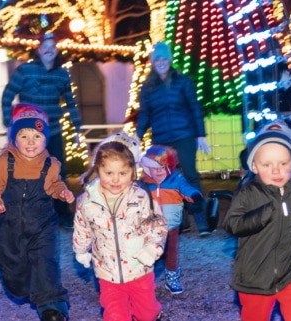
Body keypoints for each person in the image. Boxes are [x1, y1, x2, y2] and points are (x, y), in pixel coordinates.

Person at [0, 104, 75, 321]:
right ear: (14, 139)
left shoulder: (50, 164)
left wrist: (62, 192)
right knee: (13, 267)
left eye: (37, 135)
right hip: (10, 226)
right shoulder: (5, 162)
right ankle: (24, 288)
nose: (31, 141)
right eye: (24, 135)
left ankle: (52, 307)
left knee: (45, 262)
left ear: (45, 139)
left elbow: (54, 184)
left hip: (42, 225)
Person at [223, 120, 291, 321]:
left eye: (283, 163)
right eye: (267, 164)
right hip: (255, 274)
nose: (276, 170)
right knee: (255, 315)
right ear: (254, 166)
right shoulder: (247, 193)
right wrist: (262, 214)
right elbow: (232, 224)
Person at [72, 134, 167, 321]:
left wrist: (153, 248)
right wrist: (81, 249)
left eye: (122, 173)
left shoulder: (141, 198)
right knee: (114, 315)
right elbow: (82, 226)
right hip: (107, 272)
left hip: (139, 269)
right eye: (109, 173)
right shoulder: (87, 201)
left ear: (133, 171)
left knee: (146, 313)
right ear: (98, 170)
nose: (115, 180)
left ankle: (153, 314)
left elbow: (157, 226)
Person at [1, 32, 83, 230]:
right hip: (29, 133)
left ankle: (62, 215)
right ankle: (29, 218)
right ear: (38, 50)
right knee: (28, 176)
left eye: (52, 46)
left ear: (56, 50)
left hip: (53, 131)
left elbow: (71, 103)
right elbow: (7, 96)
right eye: (45, 46)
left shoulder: (62, 74)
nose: (49, 49)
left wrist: (78, 129)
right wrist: (9, 124)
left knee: (58, 173)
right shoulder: (25, 71)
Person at [136, 41, 212, 237]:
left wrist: (201, 134)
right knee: (165, 179)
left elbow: (195, 107)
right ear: (153, 62)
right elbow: (144, 114)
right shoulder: (148, 87)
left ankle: (200, 218)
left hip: (183, 135)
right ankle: (178, 220)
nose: (161, 62)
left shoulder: (182, 81)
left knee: (189, 175)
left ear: (169, 60)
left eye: (164, 59)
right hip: (161, 138)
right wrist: (137, 136)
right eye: (157, 59)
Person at [139, 145, 203, 294]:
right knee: (148, 253)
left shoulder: (177, 181)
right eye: (156, 168)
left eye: (164, 167)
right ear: (148, 168)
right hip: (150, 228)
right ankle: (145, 279)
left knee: (171, 252)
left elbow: (187, 189)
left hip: (171, 226)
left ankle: (172, 276)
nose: (160, 171)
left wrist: (194, 195)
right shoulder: (144, 185)